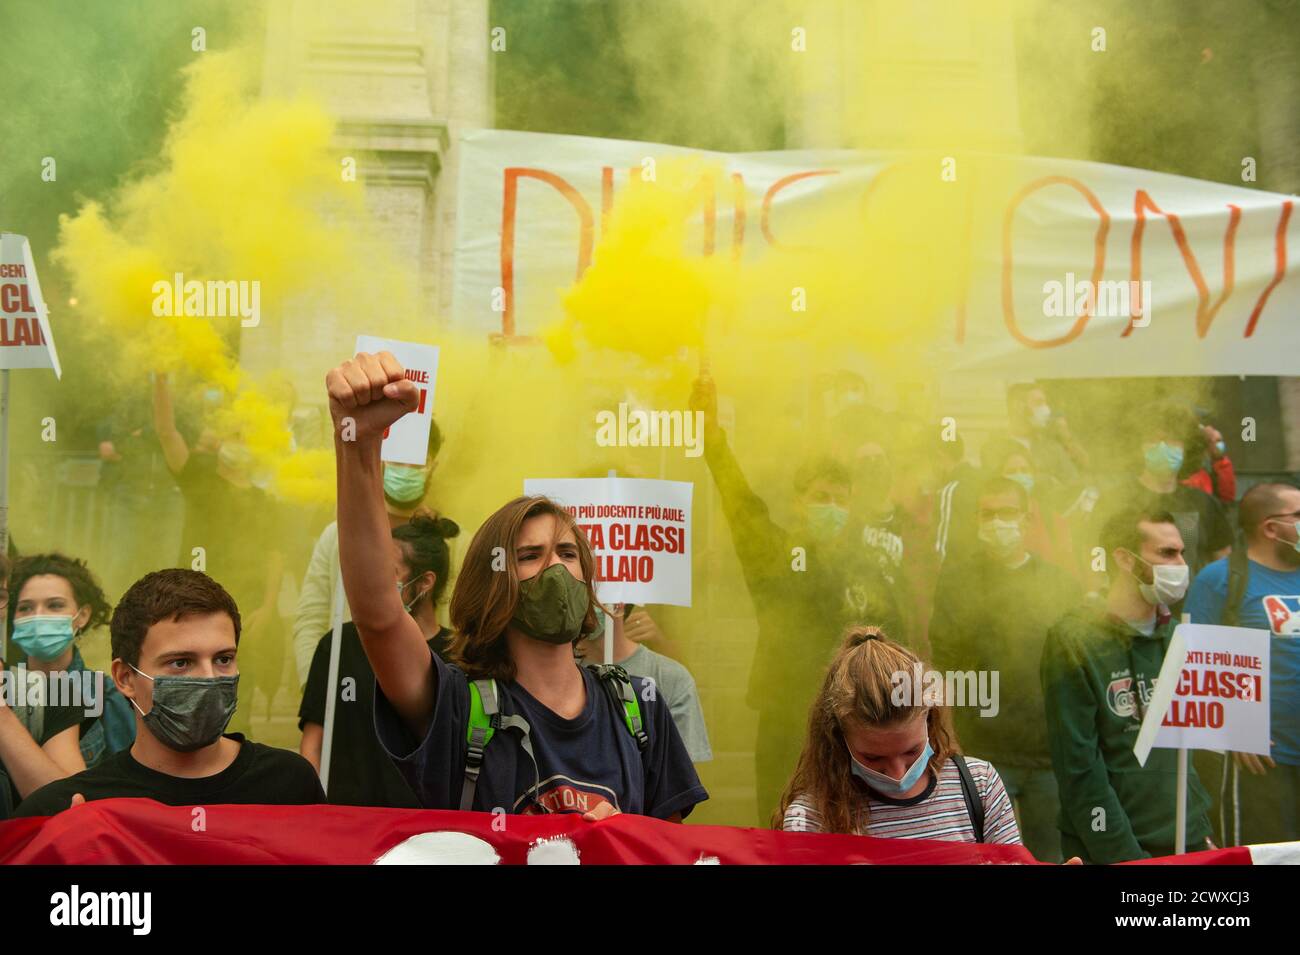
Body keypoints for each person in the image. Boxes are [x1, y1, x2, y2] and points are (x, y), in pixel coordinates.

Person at [329, 350, 706, 819]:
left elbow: (665, 845)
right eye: (530, 556)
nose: (555, 568)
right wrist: (358, 447)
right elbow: (379, 615)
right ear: (490, 586)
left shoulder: (639, 708)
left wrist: (624, 833)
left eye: (568, 554)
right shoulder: (458, 708)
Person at [690, 371, 906, 822]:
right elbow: (740, 503)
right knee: (780, 824)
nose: (833, 507)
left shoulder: (868, 565)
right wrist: (713, 440)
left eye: (841, 499)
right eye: (821, 497)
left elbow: (894, 645)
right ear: (800, 503)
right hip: (783, 719)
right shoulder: (774, 554)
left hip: (851, 723)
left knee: (849, 827)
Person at [14, 569, 324, 817]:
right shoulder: (73, 807)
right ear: (125, 678)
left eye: (223, 659)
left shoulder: (290, 784)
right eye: (181, 662)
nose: (209, 678)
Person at [1042, 506, 1214, 863]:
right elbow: (1078, 765)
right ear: (1124, 558)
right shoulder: (1074, 639)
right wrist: (1123, 855)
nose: (1181, 564)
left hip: (1187, 838)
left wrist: (1198, 829)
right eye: (1167, 553)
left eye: (1182, 552)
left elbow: (1189, 751)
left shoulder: (1181, 636)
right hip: (1109, 846)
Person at [928, 477, 1081, 861]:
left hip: (1046, 752)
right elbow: (947, 665)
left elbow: (1075, 669)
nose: (997, 522)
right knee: (987, 859)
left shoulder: (1059, 584)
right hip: (982, 753)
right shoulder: (957, 582)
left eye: (1007, 512)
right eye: (987, 513)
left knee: (1048, 856)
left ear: (1028, 519)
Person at [778, 626, 1021, 845]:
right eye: (873, 758)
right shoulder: (812, 818)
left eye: (911, 752)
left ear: (930, 718)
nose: (898, 774)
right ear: (838, 737)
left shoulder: (978, 786)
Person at [153, 372, 285, 733]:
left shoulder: (263, 500)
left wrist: (268, 607)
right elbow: (167, 432)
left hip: (247, 612)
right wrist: (162, 378)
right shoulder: (200, 475)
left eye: (246, 437)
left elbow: (275, 554)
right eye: (233, 435)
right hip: (190, 604)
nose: (238, 442)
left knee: (239, 696)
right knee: (189, 688)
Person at [298, 513, 459, 807]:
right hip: (345, 827)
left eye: (388, 570)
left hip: (422, 833)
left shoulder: (458, 655)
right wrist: (313, 812)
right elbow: (314, 742)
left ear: (425, 583)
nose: (373, 579)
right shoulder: (338, 646)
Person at [1185, 482, 1300, 844]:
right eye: (1298, 515)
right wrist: (1235, 729)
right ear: (1271, 528)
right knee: (1266, 853)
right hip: (1261, 759)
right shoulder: (1220, 579)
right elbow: (1194, 661)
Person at [293, 419, 445, 689]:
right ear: (381, 458)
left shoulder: (452, 541)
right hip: (346, 689)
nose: (407, 469)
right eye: (399, 459)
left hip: (427, 694)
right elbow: (311, 616)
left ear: (433, 465)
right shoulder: (339, 535)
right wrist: (315, 687)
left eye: (417, 461)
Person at [0, 554, 131, 817]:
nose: (39, 618)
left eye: (55, 605)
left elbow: (116, 793)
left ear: (82, 616)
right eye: (25, 608)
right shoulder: (14, 685)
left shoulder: (104, 695)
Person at [1090, 404, 1232, 580]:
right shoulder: (1115, 500)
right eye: (1154, 440)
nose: (1163, 446)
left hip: (1192, 605)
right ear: (1139, 446)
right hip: (1131, 605)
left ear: (1187, 447)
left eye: (1173, 440)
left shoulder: (1204, 503)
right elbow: (1094, 554)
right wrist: (1096, 594)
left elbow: (1222, 565)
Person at [577, 603, 712, 763]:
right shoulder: (558, 674)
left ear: (619, 605)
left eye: (591, 593)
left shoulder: (671, 677)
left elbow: (680, 776)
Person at [1180, 419, 1236, 504]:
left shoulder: (1225, 464)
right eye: (1213, 441)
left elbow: (1227, 496)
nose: (1217, 444)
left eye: (1219, 440)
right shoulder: (1196, 468)